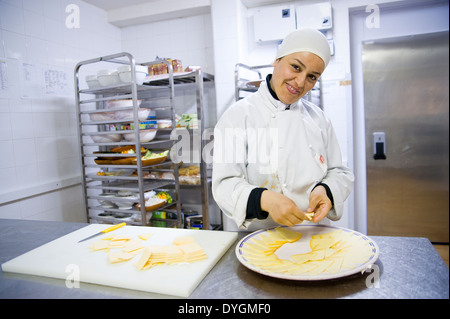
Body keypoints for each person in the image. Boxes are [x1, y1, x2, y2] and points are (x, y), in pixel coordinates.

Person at [212, 28, 354, 231]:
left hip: (313, 233)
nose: (300, 82)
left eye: (312, 77)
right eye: (296, 67)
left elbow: (339, 172)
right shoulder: (238, 116)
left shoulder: (319, 118)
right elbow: (224, 184)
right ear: (277, 60)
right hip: (260, 238)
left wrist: (326, 190)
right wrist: (265, 200)